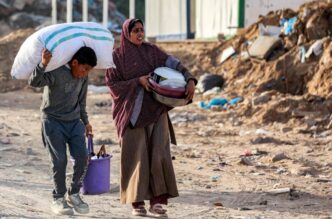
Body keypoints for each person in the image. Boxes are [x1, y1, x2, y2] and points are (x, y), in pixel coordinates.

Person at [105, 18, 197, 218]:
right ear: (126, 33)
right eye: (135, 30)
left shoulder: (152, 51)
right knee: (136, 157)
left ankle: (157, 202)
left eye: (142, 30)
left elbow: (173, 64)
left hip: (156, 111)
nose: (140, 34)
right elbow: (112, 86)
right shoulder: (116, 57)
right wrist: (137, 81)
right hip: (132, 114)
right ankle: (137, 203)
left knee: (159, 154)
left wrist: (189, 78)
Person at [28, 46, 97, 216]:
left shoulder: (83, 78)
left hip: (74, 122)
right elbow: (34, 82)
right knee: (59, 161)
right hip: (52, 121)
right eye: (85, 68)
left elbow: (81, 101)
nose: (85, 73)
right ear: (74, 62)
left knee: (82, 158)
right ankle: (58, 198)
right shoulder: (56, 71)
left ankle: (73, 194)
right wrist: (43, 64)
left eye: (88, 70)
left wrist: (86, 122)